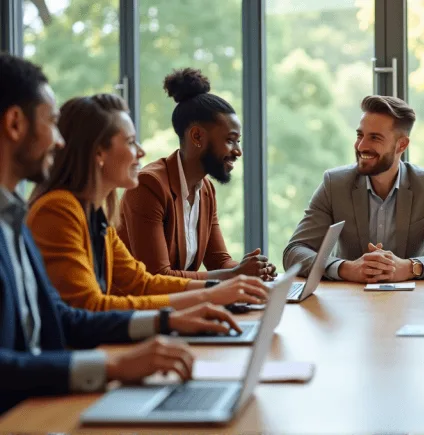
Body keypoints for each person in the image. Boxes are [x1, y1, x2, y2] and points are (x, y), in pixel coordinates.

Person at [0, 53, 245, 415]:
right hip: (31, 405)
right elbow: (84, 309)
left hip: (44, 394)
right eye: (51, 123)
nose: (59, 141)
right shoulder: (56, 210)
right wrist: (118, 362)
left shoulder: (32, 216)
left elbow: (134, 284)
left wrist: (195, 303)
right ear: (16, 124)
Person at [26, 93, 270, 311]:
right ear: (99, 153)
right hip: (83, 350)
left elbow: (141, 282)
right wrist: (207, 296)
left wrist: (223, 288)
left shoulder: (97, 213)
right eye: (131, 142)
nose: (141, 152)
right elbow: (91, 306)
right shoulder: (59, 209)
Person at [283, 95, 424, 283]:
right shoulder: (335, 184)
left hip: (414, 301)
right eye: (360, 135)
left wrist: (411, 267)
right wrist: (346, 268)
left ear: (402, 145)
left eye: (375, 138)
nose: (361, 145)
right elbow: (295, 251)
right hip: (349, 299)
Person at [118, 68, 276, 281]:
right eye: (230, 140)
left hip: (179, 306)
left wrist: (251, 269)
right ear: (197, 136)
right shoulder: (149, 186)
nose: (238, 151)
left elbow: (219, 262)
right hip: (136, 309)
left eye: (238, 141)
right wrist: (234, 274)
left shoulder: (206, 190)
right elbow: (158, 277)